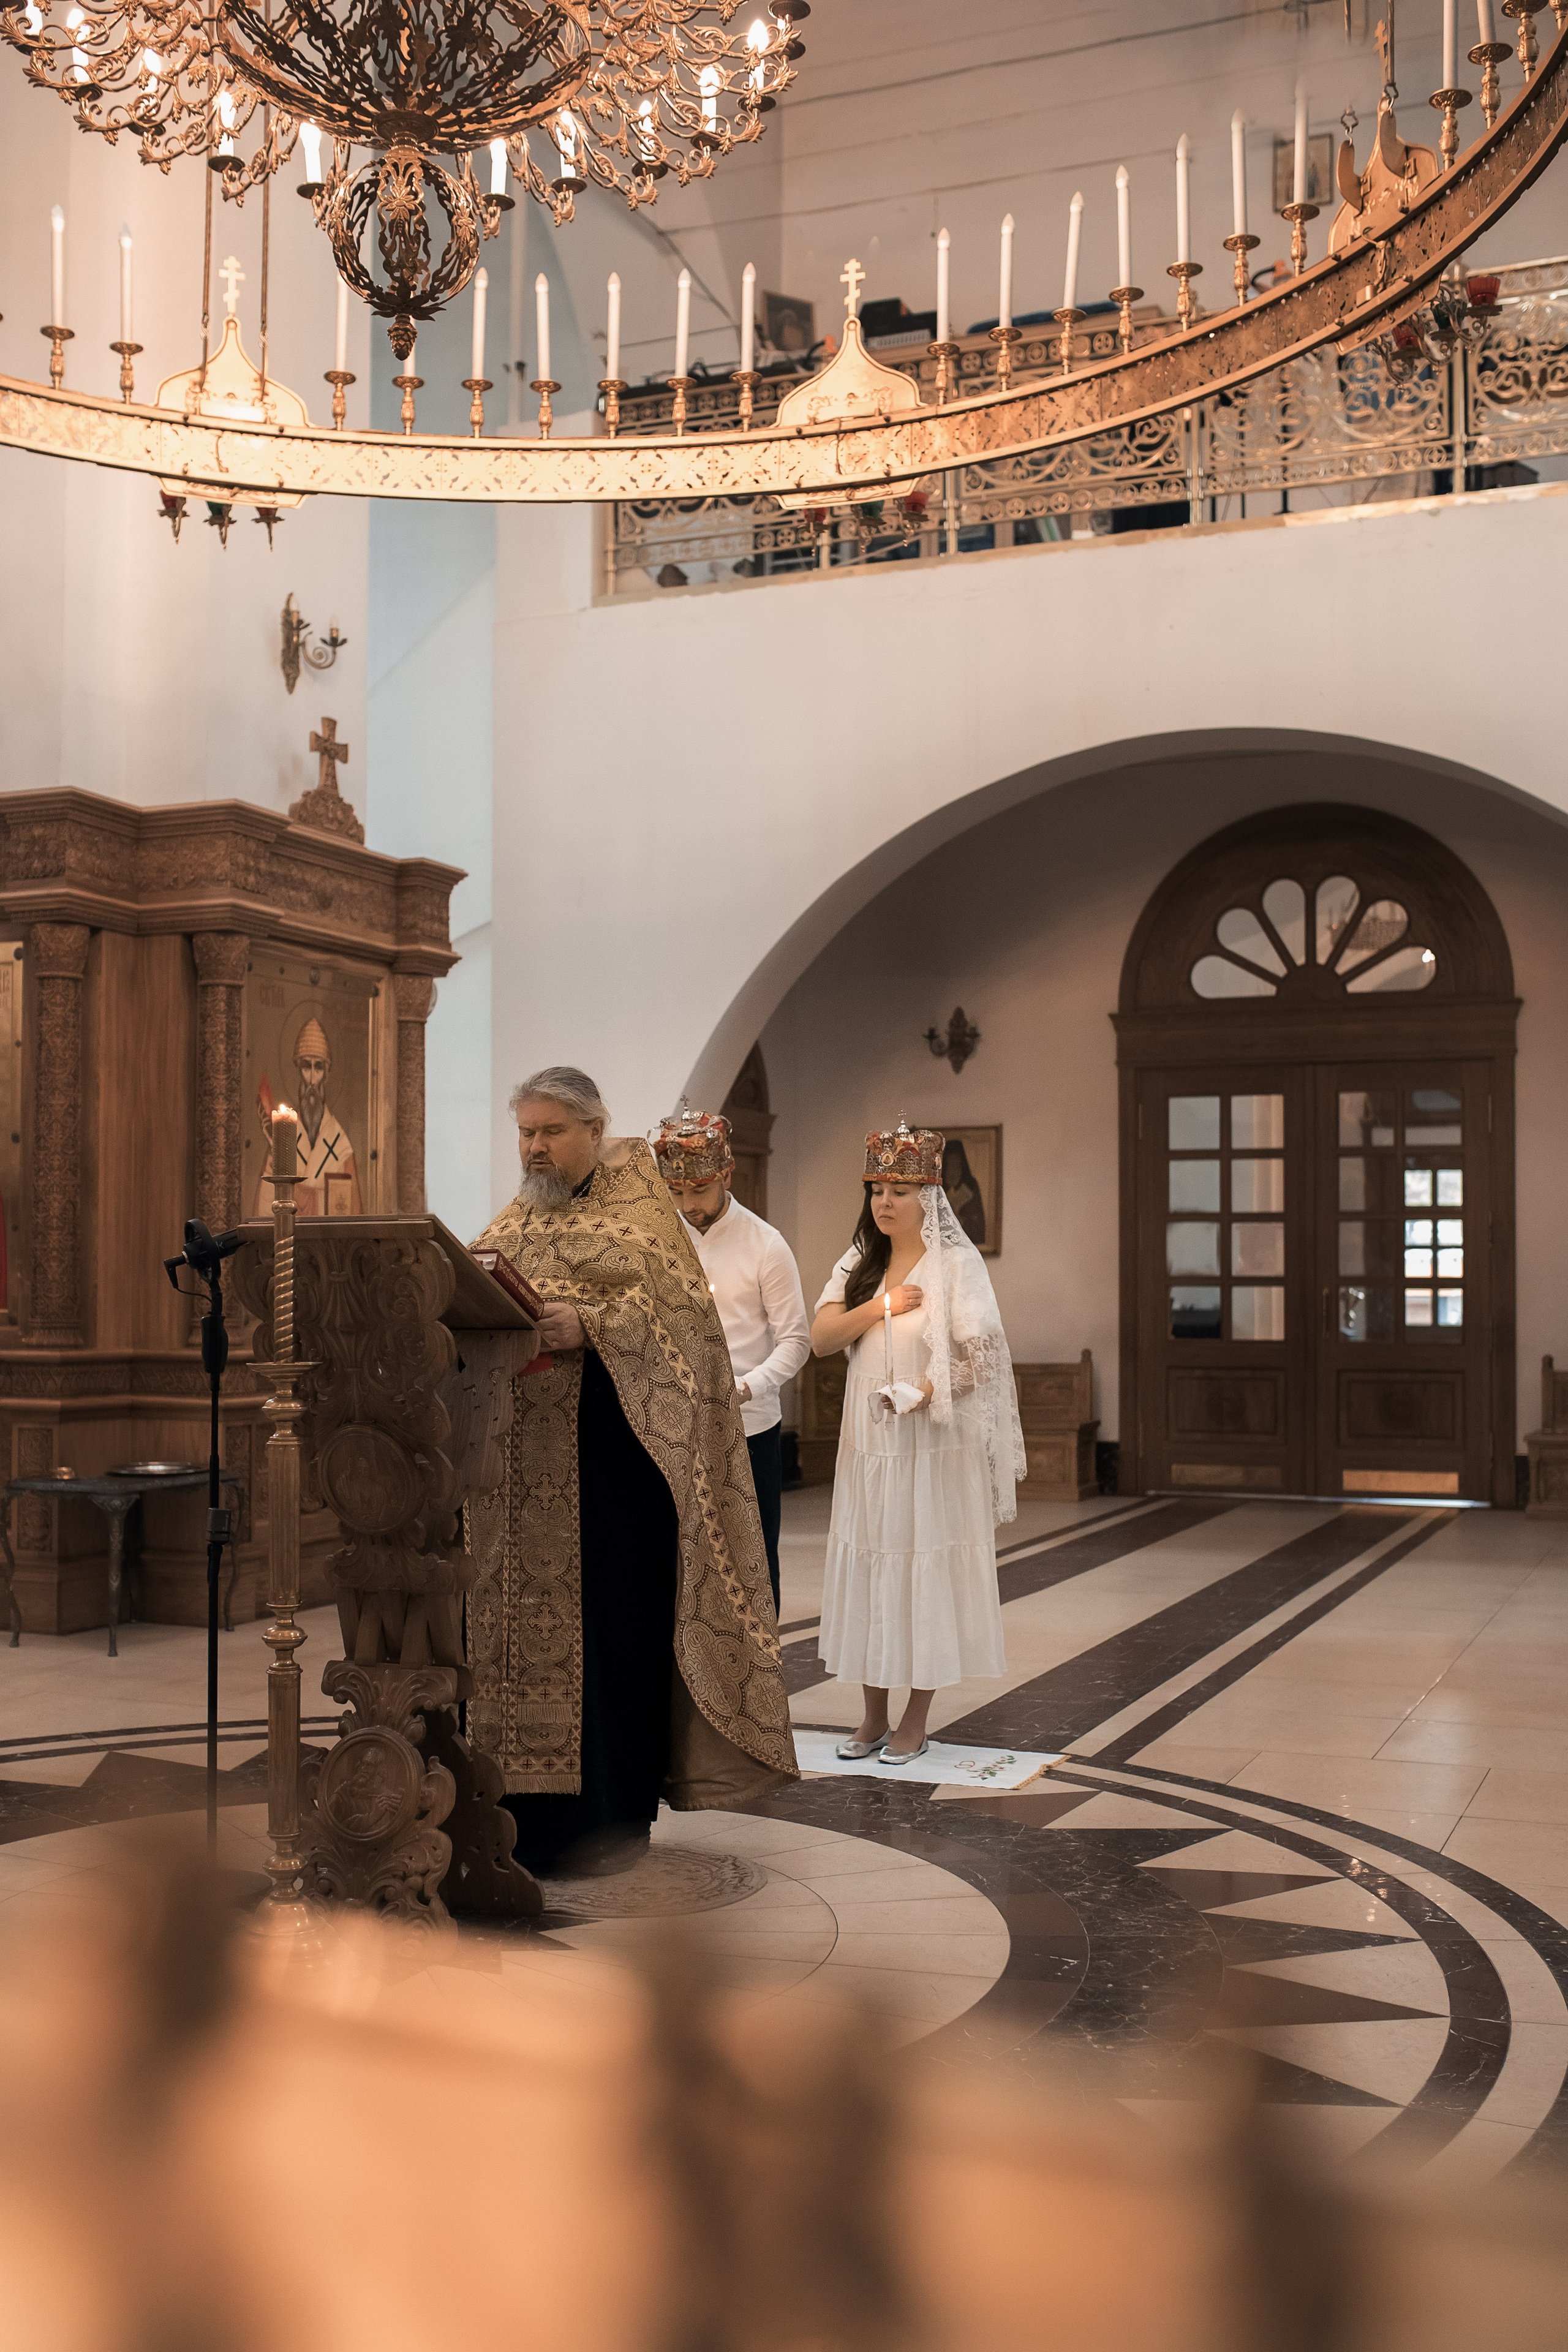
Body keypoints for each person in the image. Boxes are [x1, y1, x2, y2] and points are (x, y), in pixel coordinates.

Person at [468, 1066, 797, 1876]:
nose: (535, 1147)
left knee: (611, 1639)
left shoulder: (643, 1214)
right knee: (518, 1646)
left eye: (550, 1131)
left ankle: (607, 1819)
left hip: (616, 1474)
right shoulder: (518, 1216)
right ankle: (520, 1816)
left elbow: (691, 1337)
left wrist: (596, 1323)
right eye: (525, 1133)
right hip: (518, 1472)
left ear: (594, 1129)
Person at [809, 1118, 1024, 1764]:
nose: (885, 1202)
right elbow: (821, 1339)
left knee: (920, 1571)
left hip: (930, 1448)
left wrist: (926, 1391)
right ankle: (871, 1716)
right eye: (877, 1188)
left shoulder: (956, 1265)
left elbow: (983, 1358)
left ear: (928, 1197)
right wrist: (880, 1306)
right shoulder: (859, 1259)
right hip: (869, 1450)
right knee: (874, 1565)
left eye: (900, 1190)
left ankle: (915, 1718)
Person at [652, 1104, 810, 1618]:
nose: (687, 1204)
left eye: (698, 1190)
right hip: (675, 1425)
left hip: (751, 1426)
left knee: (753, 1558)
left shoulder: (766, 1244)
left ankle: (761, 1679)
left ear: (725, 1175)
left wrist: (747, 1386)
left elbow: (795, 1341)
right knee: (678, 1559)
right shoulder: (659, 1240)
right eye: (676, 1192)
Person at [254, 1014, 362, 1216]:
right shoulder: (281, 1141)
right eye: (306, 1066)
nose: (312, 1078)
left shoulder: (342, 1147)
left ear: (327, 1074)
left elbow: (352, 1216)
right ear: (298, 1070)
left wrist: (299, 1195)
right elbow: (264, 1210)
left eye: (318, 1067)